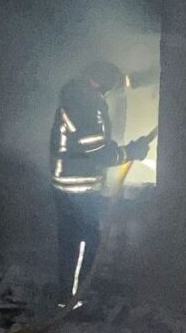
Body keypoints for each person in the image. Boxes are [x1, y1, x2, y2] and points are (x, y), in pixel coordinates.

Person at [49, 61, 148, 308]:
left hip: (70, 184)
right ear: (100, 82)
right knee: (84, 243)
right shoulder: (85, 103)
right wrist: (130, 152)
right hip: (78, 187)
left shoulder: (78, 96)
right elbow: (98, 152)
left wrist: (128, 150)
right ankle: (72, 300)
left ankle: (70, 295)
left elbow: (93, 146)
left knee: (72, 242)